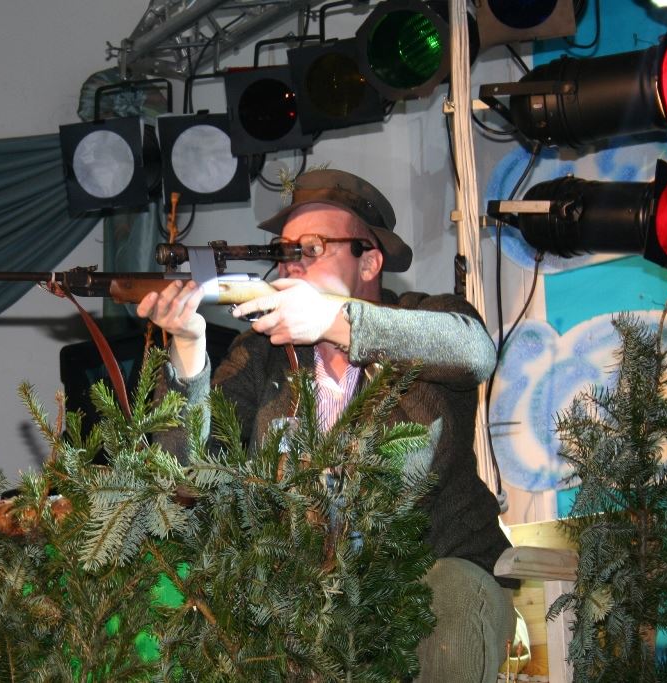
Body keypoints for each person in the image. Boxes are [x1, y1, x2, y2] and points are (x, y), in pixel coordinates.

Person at [137, 169, 516, 681]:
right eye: (284, 250)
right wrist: (187, 349)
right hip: (308, 602)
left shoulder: (423, 318)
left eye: (312, 247)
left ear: (370, 260)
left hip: (434, 576)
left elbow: (473, 349)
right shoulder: (261, 355)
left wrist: (336, 322)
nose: (291, 262)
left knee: (451, 596)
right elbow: (185, 471)